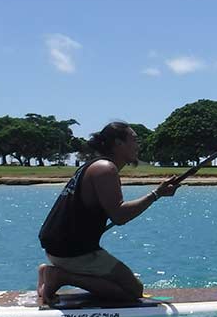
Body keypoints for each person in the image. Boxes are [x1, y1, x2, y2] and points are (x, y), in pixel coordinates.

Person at [37, 122, 179, 305]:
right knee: (132, 291)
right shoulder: (106, 169)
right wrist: (156, 194)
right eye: (134, 140)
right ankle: (61, 276)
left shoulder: (94, 166)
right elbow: (119, 215)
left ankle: (48, 272)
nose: (138, 145)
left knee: (116, 282)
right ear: (118, 143)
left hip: (60, 248)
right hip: (72, 252)